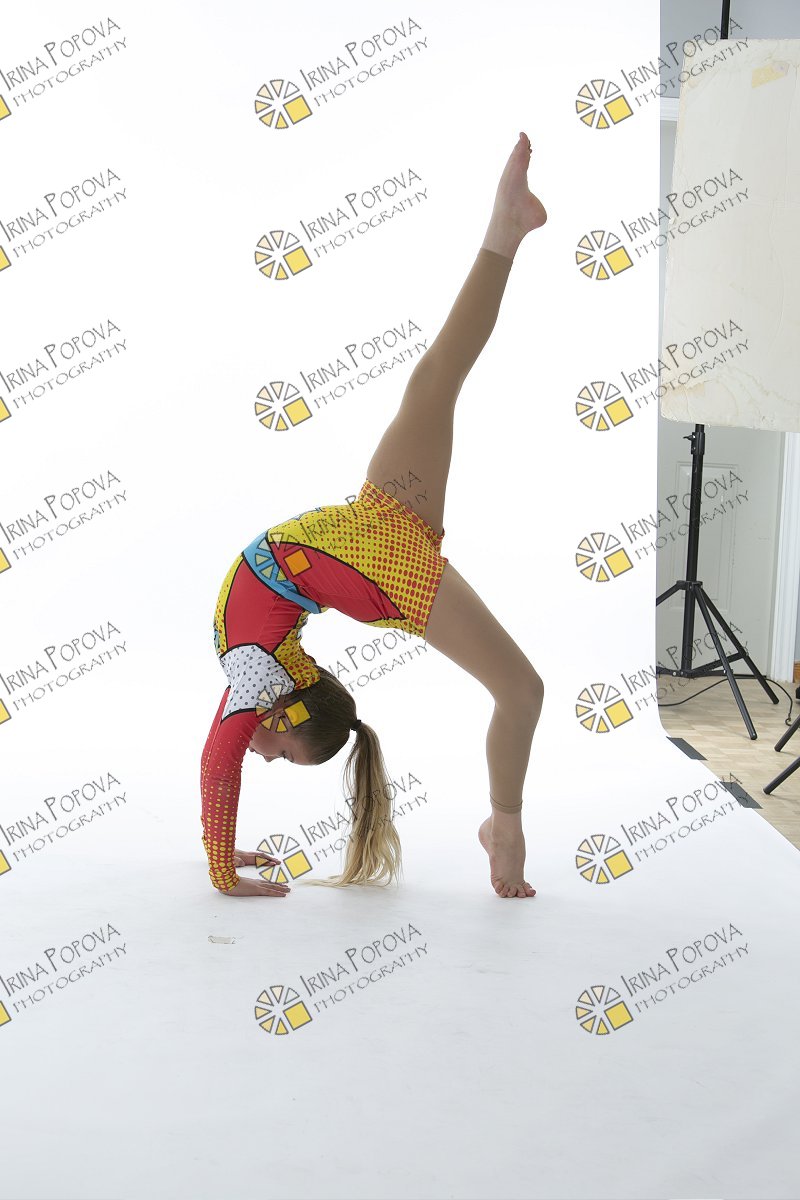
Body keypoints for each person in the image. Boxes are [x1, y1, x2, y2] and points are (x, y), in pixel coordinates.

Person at [201, 130, 547, 900]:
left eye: (276, 758)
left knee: (435, 379)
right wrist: (221, 857)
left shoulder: (257, 675)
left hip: (369, 532)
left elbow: (216, 764)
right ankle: (505, 824)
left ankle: (506, 227)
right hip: (370, 557)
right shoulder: (263, 678)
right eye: (281, 755)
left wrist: (221, 865)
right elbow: (221, 763)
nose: (261, 756)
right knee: (522, 691)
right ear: (286, 712)